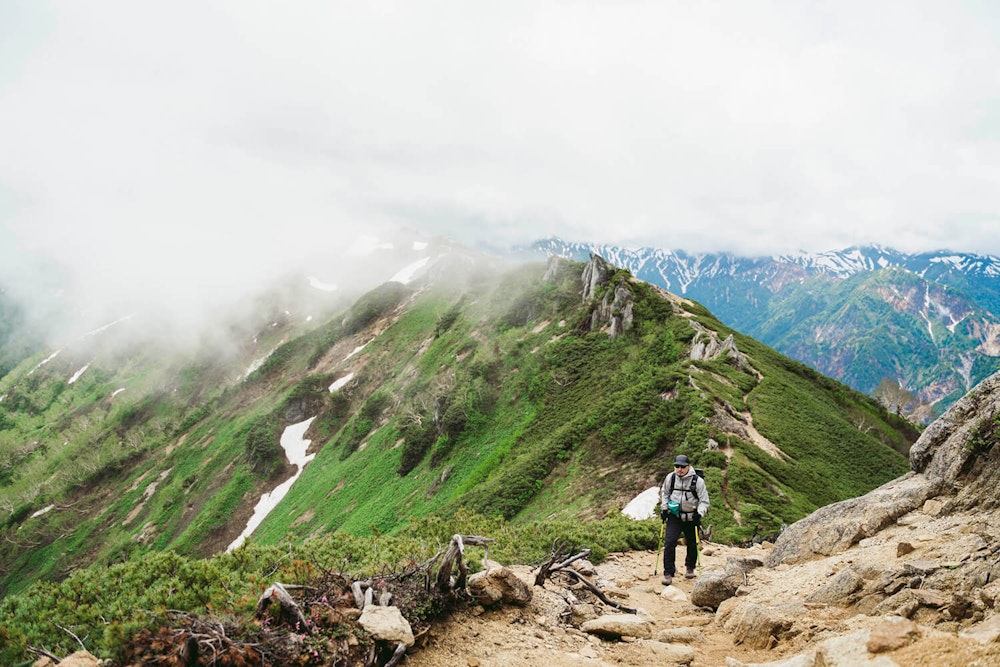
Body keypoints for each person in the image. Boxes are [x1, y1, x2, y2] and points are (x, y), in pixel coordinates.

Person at [659, 454, 709, 586]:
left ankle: (690, 567)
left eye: (682, 466)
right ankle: (668, 573)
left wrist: (699, 513)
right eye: (677, 466)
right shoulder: (671, 478)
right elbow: (665, 493)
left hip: (692, 517)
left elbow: (704, 501)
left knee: (692, 543)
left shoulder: (697, 481)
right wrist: (664, 508)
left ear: (689, 466)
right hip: (674, 516)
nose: (679, 469)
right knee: (669, 542)